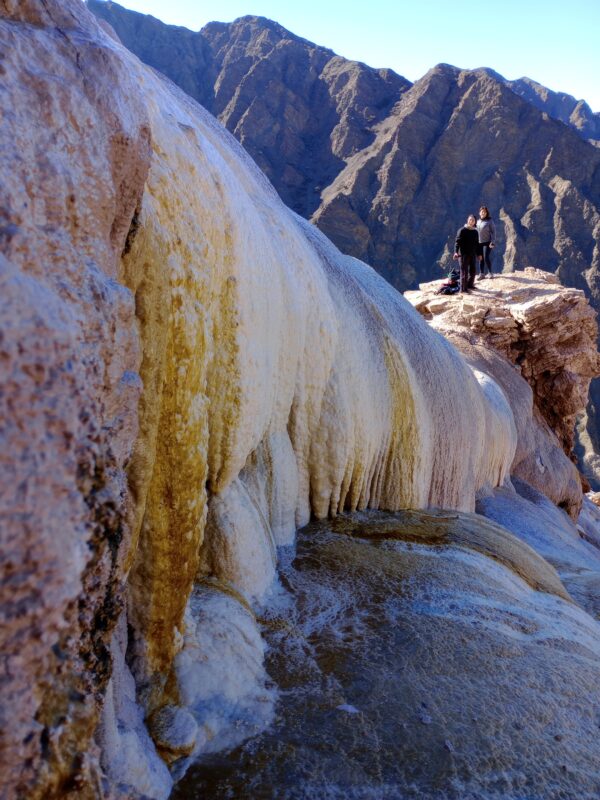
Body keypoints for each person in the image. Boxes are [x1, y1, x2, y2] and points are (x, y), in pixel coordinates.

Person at [453, 214, 478, 293]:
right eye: (470, 220)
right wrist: (456, 252)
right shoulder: (462, 230)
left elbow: (476, 244)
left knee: (473, 271)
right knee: (464, 272)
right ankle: (463, 289)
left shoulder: (475, 232)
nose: (471, 221)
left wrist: (479, 254)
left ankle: (470, 284)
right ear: (468, 220)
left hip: (472, 254)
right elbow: (457, 242)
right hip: (463, 254)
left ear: (475, 222)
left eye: (473, 220)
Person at [476, 205, 496, 279]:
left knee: (486, 257)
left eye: (484, 212)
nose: (483, 213)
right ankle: (481, 274)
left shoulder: (489, 221)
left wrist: (492, 241)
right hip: (479, 243)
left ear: (487, 213)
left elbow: (493, 231)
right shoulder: (477, 222)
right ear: (479, 213)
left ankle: (490, 273)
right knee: (480, 258)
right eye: (482, 212)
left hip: (487, 242)